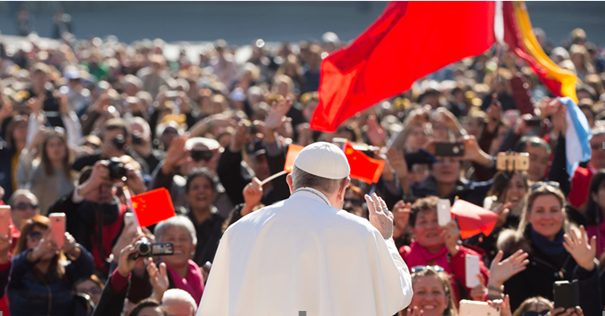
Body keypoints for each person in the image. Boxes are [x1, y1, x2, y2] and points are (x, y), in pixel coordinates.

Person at [198, 142, 413, 315]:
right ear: (344, 186)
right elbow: (396, 295)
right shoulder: (362, 233)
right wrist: (385, 239)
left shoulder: (240, 230)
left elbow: (214, 308)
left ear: (290, 181)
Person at [497, 183, 601, 313]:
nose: (547, 217)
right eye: (540, 210)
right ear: (529, 215)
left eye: (554, 210)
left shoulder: (579, 253)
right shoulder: (515, 256)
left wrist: (587, 269)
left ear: (563, 214)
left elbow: (594, 310)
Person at [8, 215, 95, 315]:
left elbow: (88, 269)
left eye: (51, 236)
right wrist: (34, 254)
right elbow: (9, 271)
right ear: (25, 240)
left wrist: (74, 249)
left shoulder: (65, 272)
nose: (45, 241)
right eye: (36, 236)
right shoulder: (18, 271)